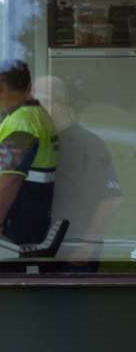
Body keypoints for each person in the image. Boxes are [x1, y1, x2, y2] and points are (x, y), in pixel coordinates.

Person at [39, 75, 124, 268]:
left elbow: (111, 199)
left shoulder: (88, 144)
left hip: (73, 255)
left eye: (39, 101)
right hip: (45, 252)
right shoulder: (46, 141)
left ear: (58, 104)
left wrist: (87, 246)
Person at [0, 59, 58, 247]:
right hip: (21, 226)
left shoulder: (22, 121)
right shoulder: (35, 116)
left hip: (9, 232)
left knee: (6, 276)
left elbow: (12, 177)